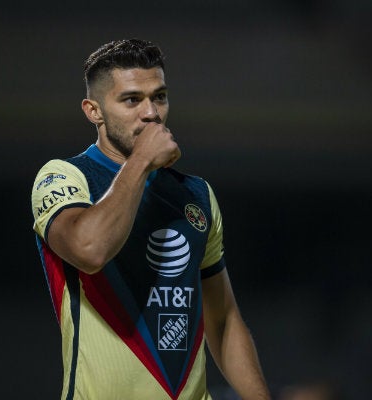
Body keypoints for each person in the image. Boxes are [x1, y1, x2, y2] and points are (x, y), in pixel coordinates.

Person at [31, 38, 270, 400]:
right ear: (93, 111)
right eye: (132, 100)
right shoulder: (64, 177)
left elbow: (222, 320)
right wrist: (140, 161)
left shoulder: (196, 195)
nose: (151, 113)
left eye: (159, 97)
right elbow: (89, 249)